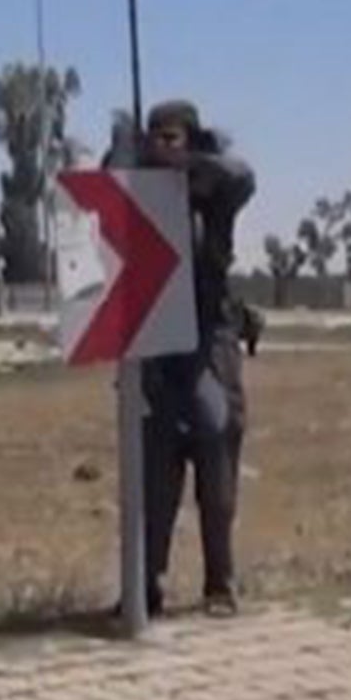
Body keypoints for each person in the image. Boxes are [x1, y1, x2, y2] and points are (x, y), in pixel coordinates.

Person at [136, 98, 255, 619]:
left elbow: (242, 176)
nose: (163, 144)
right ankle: (146, 588)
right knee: (156, 477)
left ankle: (219, 583)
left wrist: (188, 166)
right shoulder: (138, 191)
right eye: (154, 136)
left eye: (173, 136)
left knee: (216, 460)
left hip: (211, 340)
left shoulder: (212, 193)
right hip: (159, 344)